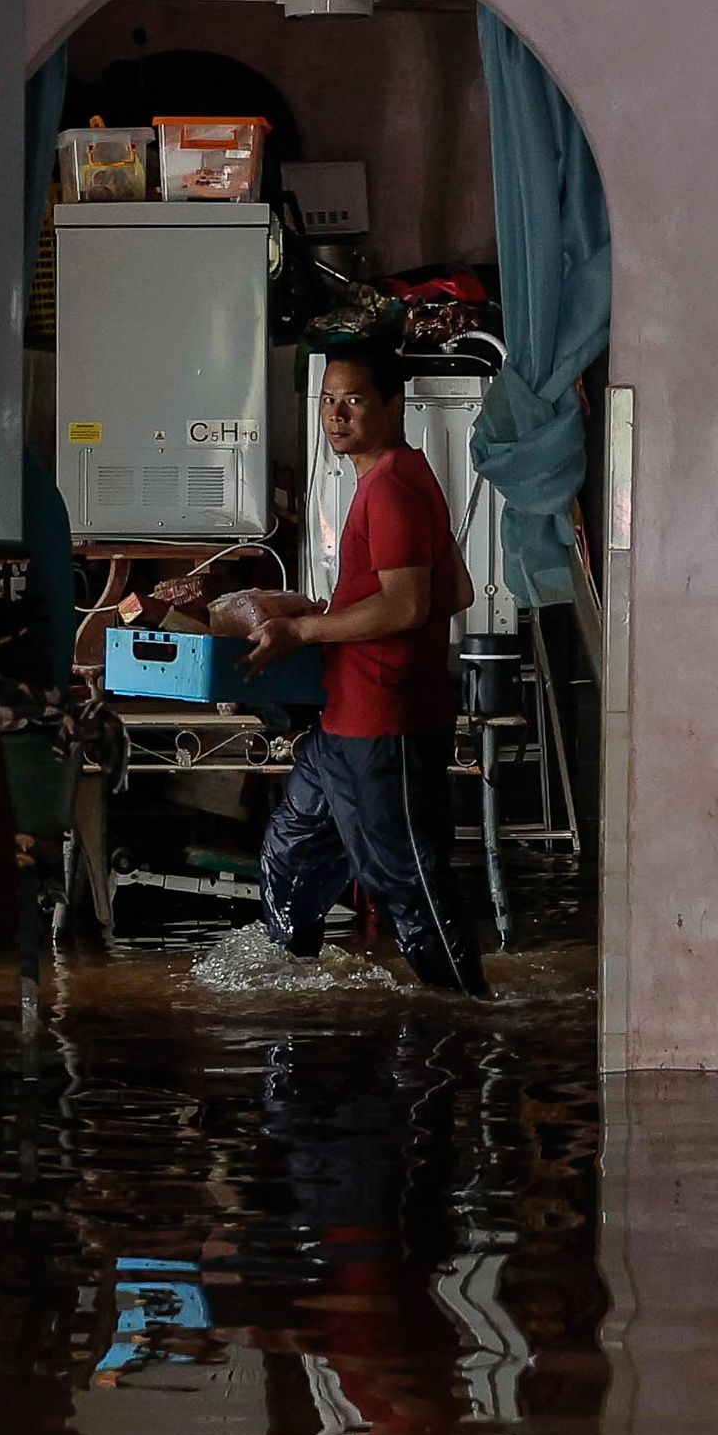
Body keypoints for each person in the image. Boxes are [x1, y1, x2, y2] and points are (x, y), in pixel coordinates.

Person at [245, 344, 488, 996]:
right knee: (290, 858)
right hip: (343, 723)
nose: (335, 414)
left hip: (387, 724)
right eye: (328, 400)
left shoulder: (393, 489)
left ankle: (468, 1014)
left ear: (392, 406)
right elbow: (456, 590)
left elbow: (409, 604)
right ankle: (295, 997)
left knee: (406, 884)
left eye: (353, 400)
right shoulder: (396, 478)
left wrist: (305, 628)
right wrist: (339, 613)